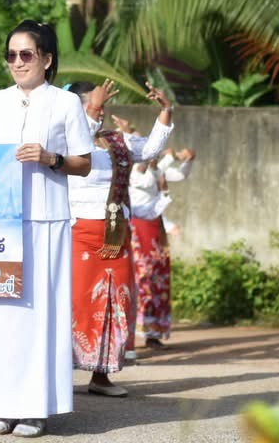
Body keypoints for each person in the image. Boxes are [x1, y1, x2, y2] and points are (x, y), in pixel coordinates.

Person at [0, 20, 93, 438]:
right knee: (3, 315)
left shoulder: (64, 104)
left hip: (46, 218)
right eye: (11, 55)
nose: (17, 62)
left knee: (41, 313)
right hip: (2, 222)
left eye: (26, 54)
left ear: (46, 59)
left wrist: (49, 158)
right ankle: (2, 405)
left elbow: (84, 163)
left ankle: (37, 407)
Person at [66, 79, 173, 398]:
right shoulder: (65, 139)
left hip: (116, 231)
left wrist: (166, 111)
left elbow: (150, 149)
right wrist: (91, 110)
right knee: (77, 301)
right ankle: (60, 375)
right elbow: (78, 141)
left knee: (115, 299)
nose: (98, 105)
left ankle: (101, 376)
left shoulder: (116, 140)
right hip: (79, 230)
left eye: (99, 101)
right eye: (88, 102)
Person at [126, 144, 194, 353]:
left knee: (158, 279)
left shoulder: (156, 171)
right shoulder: (133, 172)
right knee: (142, 280)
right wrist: (165, 159)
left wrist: (189, 159)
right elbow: (145, 180)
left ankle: (153, 333)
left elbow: (180, 176)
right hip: (138, 231)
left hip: (155, 230)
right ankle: (132, 336)